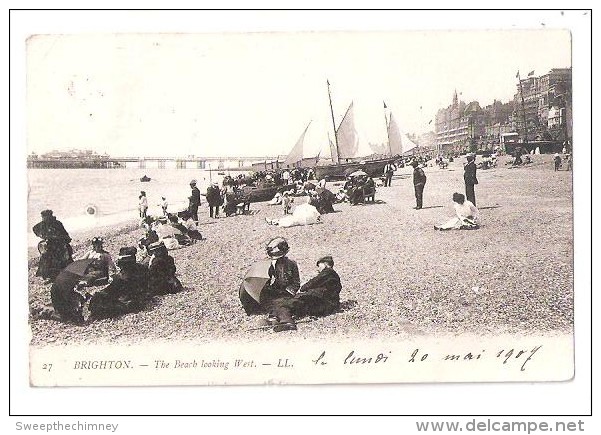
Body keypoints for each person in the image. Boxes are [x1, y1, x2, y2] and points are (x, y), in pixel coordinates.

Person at [240, 237, 301, 331]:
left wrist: (288, 292)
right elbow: (269, 279)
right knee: (271, 301)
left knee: (281, 303)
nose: (278, 259)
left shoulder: (291, 264)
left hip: (287, 292)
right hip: (277, 290)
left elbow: (296, 282)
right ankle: (274, 318)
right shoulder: (271, 265)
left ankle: (286, 321)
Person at [88, 247, 150, 320]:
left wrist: (98, 293)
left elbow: (110, 291)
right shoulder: (143, 268)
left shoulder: (121, 278)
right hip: (142, 298)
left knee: (97, 298)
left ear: (123, 264)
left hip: (128, 303)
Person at [33, 210, 73, 281]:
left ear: (50, 216)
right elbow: (35, 228)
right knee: (48, 259)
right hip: (49, 245)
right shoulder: (43, 224)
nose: (44, 218)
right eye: (43, 217)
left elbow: (64, 232)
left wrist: (66, 238)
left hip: (59, 244)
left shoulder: (57, 223)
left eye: (45, 216)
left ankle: (65, 274)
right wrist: (42, 235)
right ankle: (52, 276)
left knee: (64, 258)